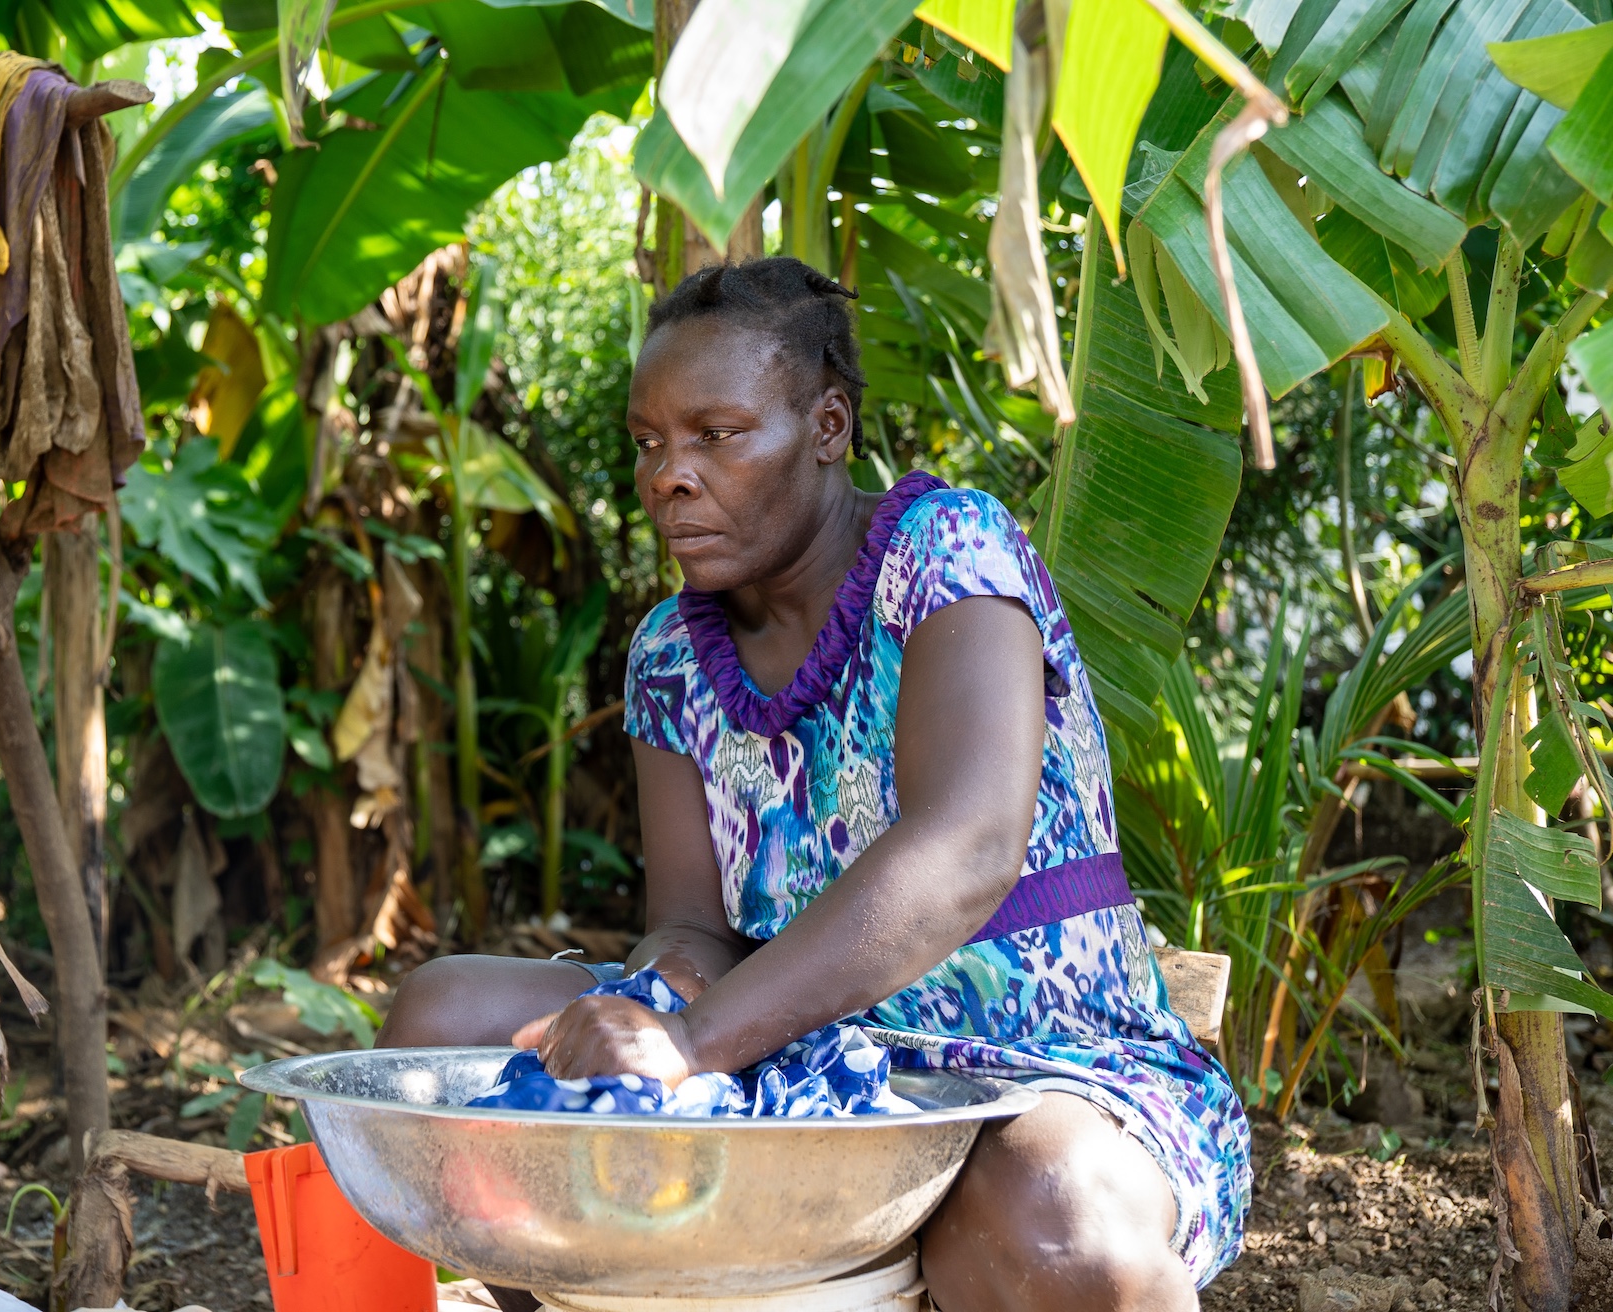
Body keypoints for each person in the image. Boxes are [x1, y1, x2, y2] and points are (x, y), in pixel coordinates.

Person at [378, 257, 1249, 1312]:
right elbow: (691, 925)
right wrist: (665, 985)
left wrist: (690, 1042)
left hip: (1040, 1065)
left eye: (718, 434)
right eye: (650, 443)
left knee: (1053, 1228)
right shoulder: (668, 656)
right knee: (440, 1021)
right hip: (808, 1048)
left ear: (828, 426)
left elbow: (965, 853)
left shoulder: (947, 553)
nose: (669, 476)